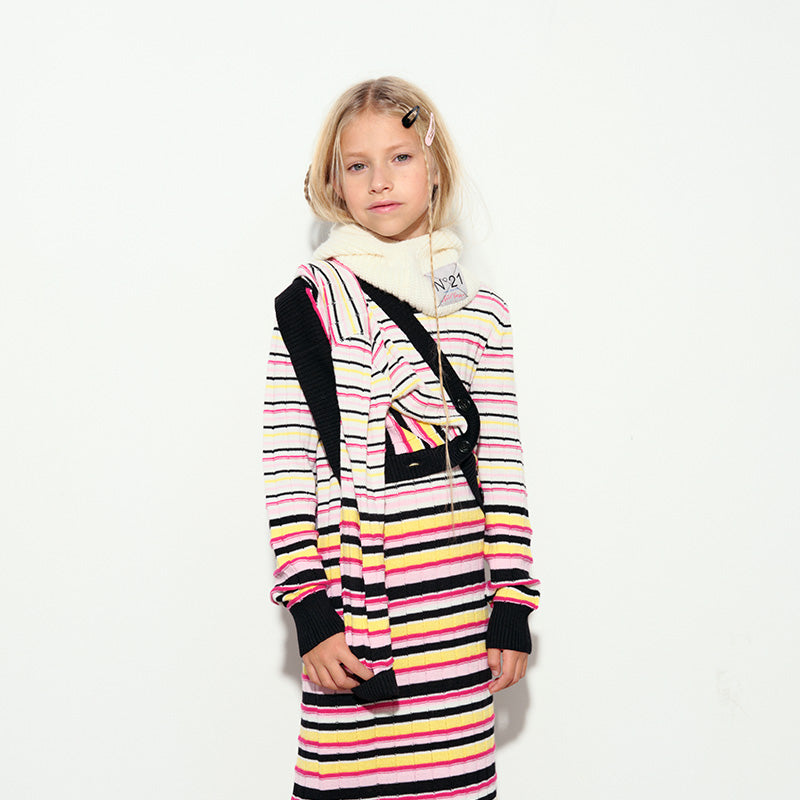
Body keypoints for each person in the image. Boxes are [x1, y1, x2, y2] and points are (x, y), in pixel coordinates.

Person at [264, 76, 540, 800]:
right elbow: (288, 467)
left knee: (453, 785)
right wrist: (310, 611)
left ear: (435, 166)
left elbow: (501, 466)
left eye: (401, 157)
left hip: (457, 604)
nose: (380, 181)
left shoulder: (482, 311)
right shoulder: (311, 304)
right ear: (334, 181)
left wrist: (512, 603)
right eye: (357, 165)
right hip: (358, 603)